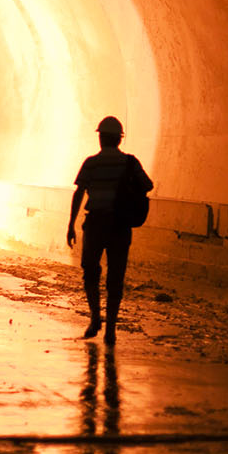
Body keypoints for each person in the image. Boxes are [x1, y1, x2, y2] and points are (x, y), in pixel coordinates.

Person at [67, 115, 154, 344]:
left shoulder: (91, 163)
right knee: (116, 276)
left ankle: (95, 317)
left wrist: (71, 225)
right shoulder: (130, 162)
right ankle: (111, 329)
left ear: (101, 138)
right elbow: (148, 185)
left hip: (95, 224)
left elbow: (79, 193)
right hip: (120, 226)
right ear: (119, 139)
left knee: (90, 271)